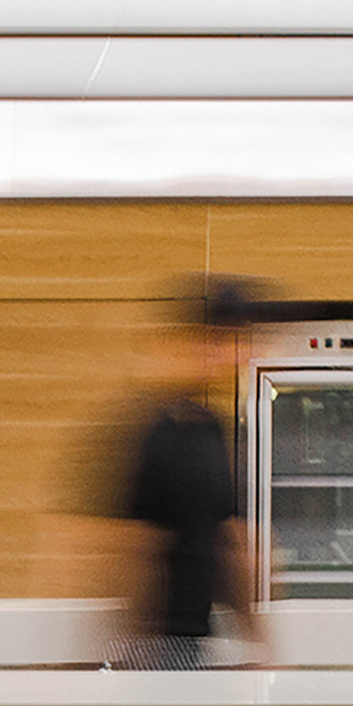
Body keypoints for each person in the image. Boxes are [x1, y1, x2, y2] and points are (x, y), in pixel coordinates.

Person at [107, 275, 267, 669]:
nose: (238, 355)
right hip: (158, 650)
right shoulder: (156, 428)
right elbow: (133, 549)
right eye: (228, 340)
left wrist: (260, 645)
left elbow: (228, 542)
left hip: (190, 643)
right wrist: (130, 650)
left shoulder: (209, 427)